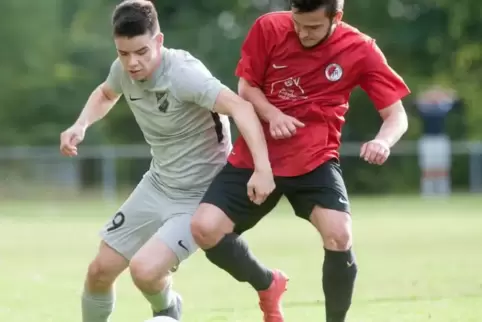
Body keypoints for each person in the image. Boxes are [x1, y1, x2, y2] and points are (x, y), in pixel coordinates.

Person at [190, 0, 410, 321]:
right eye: (298, 23)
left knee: (339, 234)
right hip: (257, 157)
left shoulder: (360, 49)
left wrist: (382, 141)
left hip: (314, 159)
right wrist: (273, 114)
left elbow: (396, 116)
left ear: (337, 17)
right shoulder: (269, 27)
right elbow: (246, 86)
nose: (303, 33)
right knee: (204, 228)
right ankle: (268, 283)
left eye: (314, 27)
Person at [59, 1, 275, 321]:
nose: (132, 63)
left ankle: (168, 310)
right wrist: (80, 125)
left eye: (141, 52)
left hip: (200, 197)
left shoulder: (185, 74)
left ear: (159, 41)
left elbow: (241, 108)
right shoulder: (123, 70)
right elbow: (106, 94)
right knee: (99, 271)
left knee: (144, 271)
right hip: (158, 183)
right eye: (124, 53)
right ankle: (168, 311)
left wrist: (262, 169)